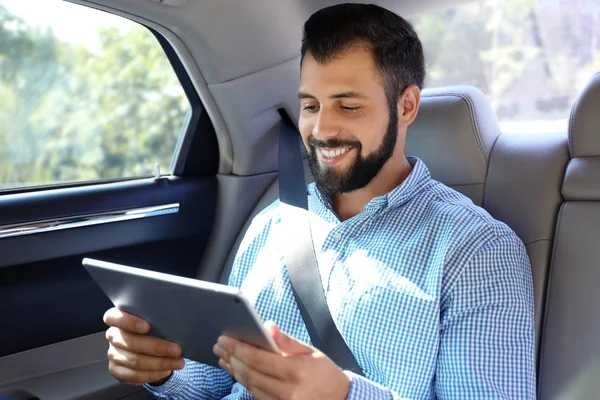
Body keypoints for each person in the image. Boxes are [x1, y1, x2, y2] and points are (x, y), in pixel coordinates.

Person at [102, 3, 536, 399]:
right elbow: (219, 380)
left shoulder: (477, 250)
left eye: (348, 107)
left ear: (405, 107)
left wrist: (343, 395)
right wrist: (162, 369)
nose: (321, 129)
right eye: (310, 105)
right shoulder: (274, 222)